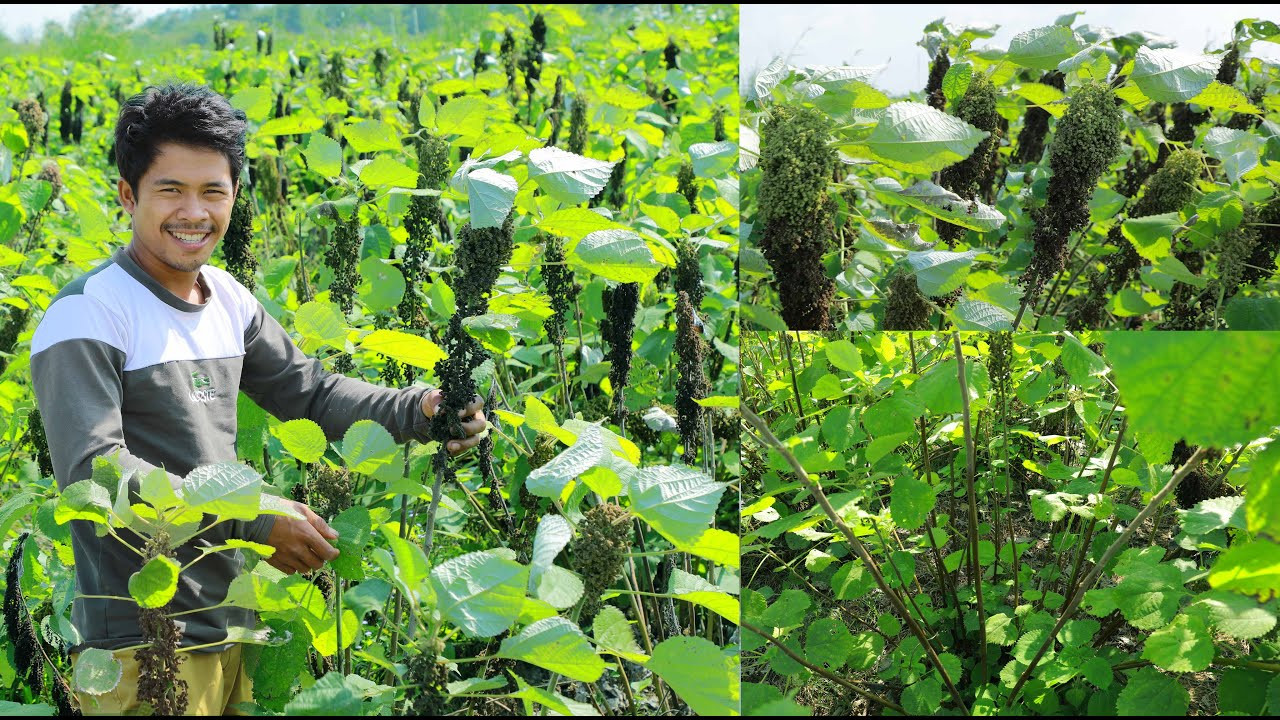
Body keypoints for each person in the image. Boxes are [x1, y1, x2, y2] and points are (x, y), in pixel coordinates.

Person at [28, 82, 485, 715]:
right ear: (128, 195)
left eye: (213, 191)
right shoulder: (89, 315)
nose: (195, 211)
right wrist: (254, 516)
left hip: (230, 625)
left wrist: (419, 409)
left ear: (235, 196)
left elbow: (313, 394)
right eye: (171, 190)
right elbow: (95, 474)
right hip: (141, 646)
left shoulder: (226, 297)